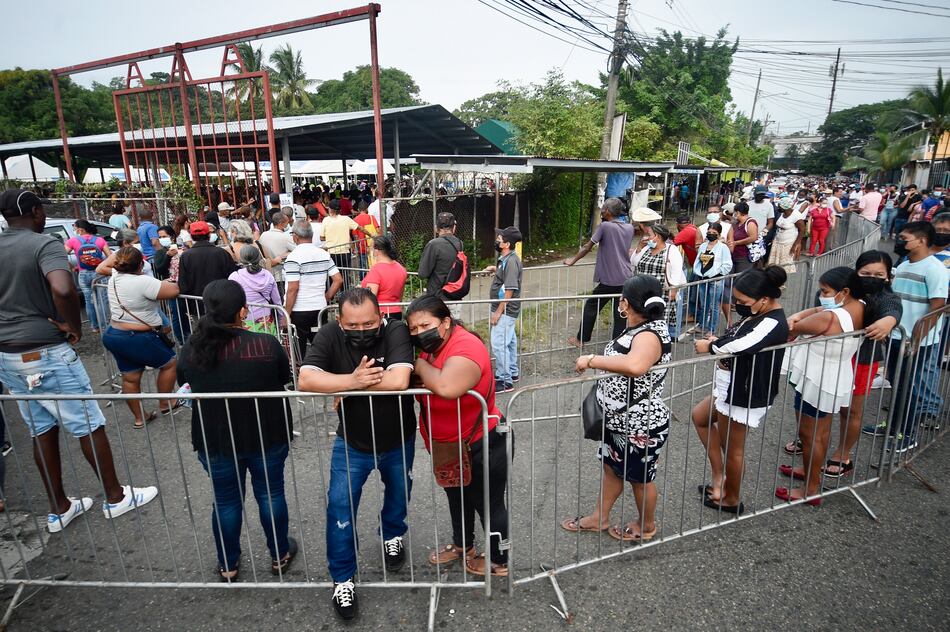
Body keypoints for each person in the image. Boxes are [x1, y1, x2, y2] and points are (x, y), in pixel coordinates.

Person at [0, 189, 157, 532]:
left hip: (8, 354)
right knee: (87, 421)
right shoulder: (44, 244)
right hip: (45, 347)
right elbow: (62, 287)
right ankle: (115, 497)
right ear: (37, 212)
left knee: (40, 429)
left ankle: (59, 507)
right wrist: (71, 325)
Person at [298, 288, 416, 621]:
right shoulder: (331, 335)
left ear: (380, 317)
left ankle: (392, 535)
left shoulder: (395, 330)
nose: (362, 330)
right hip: (352, 442)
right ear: (339, 321)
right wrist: (351, 379)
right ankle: (342, 578)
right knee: (339, 507)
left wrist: (340, 385)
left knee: (399, 494)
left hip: (398, 438)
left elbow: (398, 381)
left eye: (369, 323)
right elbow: (306, 380)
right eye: (353, 325)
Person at [176, 279, 296, 583]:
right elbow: (284, 377)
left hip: (216, 439)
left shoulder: (192, 349)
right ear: (243, 310)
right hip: (266, 434)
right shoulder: (265, 345)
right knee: (270, 494)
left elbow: (183, 380)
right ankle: (279, 555)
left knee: (226, 501)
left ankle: (228, 564)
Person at [561, 275, 672, 542]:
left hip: (639, 425)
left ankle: (646, 526)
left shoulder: (650, 334)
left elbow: (635, 366)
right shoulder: (639, 326)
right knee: (612, 469)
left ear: (624, 303)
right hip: (618, 420)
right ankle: (600, 517)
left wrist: (591, 359)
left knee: (639, 478)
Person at [406, 296, 510, 577]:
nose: (419, 333)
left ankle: (499, 561)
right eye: (413, 329)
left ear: (446, 322)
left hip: (481, 442)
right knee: (456, 497)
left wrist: (417, 365)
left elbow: (446, 385)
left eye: (425, 325)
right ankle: (463, 545)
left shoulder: (465, 345)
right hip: (448, 446)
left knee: (488, 503)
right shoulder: (434, 349)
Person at [788, 251, 901, 477]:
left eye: (879, 274)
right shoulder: (841, 292)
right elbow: (822, 309)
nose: (872, 278)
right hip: (830, 358)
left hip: (861, 360)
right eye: (866, 273)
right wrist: (800, 315)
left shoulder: (884, 297)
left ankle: (841, 455)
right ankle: (810, 447)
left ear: (888, 277)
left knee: (850, 411)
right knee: (821, 413)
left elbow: (892, 309)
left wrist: (889, 321)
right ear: (855, 273)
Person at [690, 266, 790, 515]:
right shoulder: (758, 313)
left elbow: (743, 344)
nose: (736, 305)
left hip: (744, 391)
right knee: (700, 417)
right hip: (729, 385)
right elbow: (735, 339)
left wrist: (710, 347)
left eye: (742, 301)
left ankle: (732, 498)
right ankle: (719, 478)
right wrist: (717, 343)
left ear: (764, 300)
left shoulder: (773, 321)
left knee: (733, 448)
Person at [780, 268, 866, 505]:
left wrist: (795, 319)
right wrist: (801, 315)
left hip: (817, 379)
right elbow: (817, 310)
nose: (821, 295)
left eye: (825, 291)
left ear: (844, 292)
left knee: (812, 435)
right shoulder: (857, 306)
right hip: (830, 375)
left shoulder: (832, 318)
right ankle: (810, 472)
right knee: (818, 432)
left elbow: (791, 328)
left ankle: (810, 488)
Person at [865, 222, 948, 452]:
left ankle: (908, 433)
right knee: (897, 382)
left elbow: (936, 308)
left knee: (909, 386)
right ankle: (893, 425)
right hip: (895, 336)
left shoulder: (935, 270)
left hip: (916, 341)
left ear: (921, 240)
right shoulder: (902, 266)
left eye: (904, 238)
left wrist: (916, 340)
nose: (900, 241)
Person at [102, 247, 181, 428]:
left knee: (130, 377)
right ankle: (165, 402)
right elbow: (174, 290)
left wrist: (117, 254)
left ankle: (140, 417)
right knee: (169, 364)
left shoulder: (114, 277)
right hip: (138, 336)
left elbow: (103, 266)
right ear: (140, 264)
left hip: (114, 334)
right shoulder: (143, 282)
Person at [564, 199, 637, 346]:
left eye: (603, 208)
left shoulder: (605, 226)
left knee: (591, 306)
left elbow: (587, 247)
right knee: (620, 312)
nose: (601, 210)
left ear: (608, 211)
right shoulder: (629, 228)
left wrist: (573, 260)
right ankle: (618, 344)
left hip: (609, 278)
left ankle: (581, 339)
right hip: (626, 276)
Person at [284, 220, 344, 359]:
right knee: (320, 344)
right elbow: (338, 279)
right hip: (319, 307)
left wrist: (286, 314)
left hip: (299, 309)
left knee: (299, 348)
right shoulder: (323, 254)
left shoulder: (293, 257)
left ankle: (300, 374)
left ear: (296, 237)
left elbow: (293, 288)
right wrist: (327, 296)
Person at [177, 220, 237, 337]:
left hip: (197, 305)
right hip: (221, 303)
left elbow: (183, 284)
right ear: (209, 235)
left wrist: (187, 307)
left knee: (202, 338)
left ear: (192, 236)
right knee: (223, 337)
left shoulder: (186, 256)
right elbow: (232, 277)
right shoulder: (221, 253)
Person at [483, 226, 524, 393]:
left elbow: (510, 289)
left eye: (500, 239)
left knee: (499, 343)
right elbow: (506, 277)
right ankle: (512, 372)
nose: (497, 240)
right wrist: (496, 270)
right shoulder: (507, 259)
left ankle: (505, 379)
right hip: (507, 310)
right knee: (510, 340)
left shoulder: (512, 261)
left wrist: (498, 312)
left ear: (506, 244)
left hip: (506, 310)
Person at [631, 223, 687, 337]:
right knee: (643, 320)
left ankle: (659, 344)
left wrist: (673, 288)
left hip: (662, 293)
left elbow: (676, 270)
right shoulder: (646, 248)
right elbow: (634, 262)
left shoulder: (671, 250)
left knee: (658, 322)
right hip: (643, 292)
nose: (647, 237)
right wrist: (639, 248)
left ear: (658, 236)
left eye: (650, 235)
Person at [64, 219, 111, 334]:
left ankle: (95, 326)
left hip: (83, 273)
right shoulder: (99, 240)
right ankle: (104, 325)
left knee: (88, 301)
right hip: (99, 273)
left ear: (80, 229)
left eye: (75, 228)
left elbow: (61, 256)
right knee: (102, 300)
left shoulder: (73, 241)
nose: (75, 230)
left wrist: (72, 267)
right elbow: (110, 256)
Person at [692, 222, 733, 336]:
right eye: (709, 232)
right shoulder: (703, 246)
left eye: (714, 233)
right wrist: (698, 272)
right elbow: (698, 261)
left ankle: (712, 329)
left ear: (719, 235)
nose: (711, 234)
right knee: (704, 304)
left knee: (713, 305)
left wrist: (718, 274)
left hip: (716, 280)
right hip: (703, 278)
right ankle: (702, 325)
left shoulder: (723, 247)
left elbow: (727, 264)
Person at [228, 245, 282, 330]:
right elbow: (277, 301)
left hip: (243, 321)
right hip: (266, 320)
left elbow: (231, 300)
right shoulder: (268, 275)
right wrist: (281, 320)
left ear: (241, 259)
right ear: (259, 258)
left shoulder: (234, 277)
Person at [418, 212, 466, 299]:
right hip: (455, 294)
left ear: (436, 228)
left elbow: (422, 273)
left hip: (437, 296)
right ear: (454, 228)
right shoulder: (460, 244)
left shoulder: (433, 244)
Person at [361, 235, 408, 320]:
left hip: (380, 314)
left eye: (371, 247)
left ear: (377, 251)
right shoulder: (401, 268)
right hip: (396, 312)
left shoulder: (376, 270)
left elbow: (371, 297)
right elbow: (400, 295)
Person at [321, 199, 362, 275]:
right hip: (345, 251)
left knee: (333, 276)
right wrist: (371, 235)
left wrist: (330, 237)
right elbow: (360, 228)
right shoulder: (346, 219)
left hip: (332, 252)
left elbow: (321, 237)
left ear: (330, 209)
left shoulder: (326, 220)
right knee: (345, 275)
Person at [258, 211, 296, 291]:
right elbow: (298, 250)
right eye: (286, 223)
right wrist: (286, 254)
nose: (287, 225)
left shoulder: (264, 235)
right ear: (281, 223)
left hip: (267, 274)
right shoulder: (285, 237)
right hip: (281, 275)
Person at [768, 196, 805, 272]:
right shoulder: (782, 213)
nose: (778, 207)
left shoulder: (796, 215)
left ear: (784, 207)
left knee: (784, 266)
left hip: (788, 243)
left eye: (779, 206)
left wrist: (795, 245)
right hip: (778, 242)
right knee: (776, 265)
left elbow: (802, 230)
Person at [352, 201, 380, 274]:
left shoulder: (355, 220)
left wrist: (356, 247)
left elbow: (355, 236)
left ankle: (363, 281)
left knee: (362, 266)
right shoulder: (371, 218)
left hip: (361, 246)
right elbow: (377, 230)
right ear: (367, 209)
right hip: (372, 245)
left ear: (358, 209)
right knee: (373, 264)